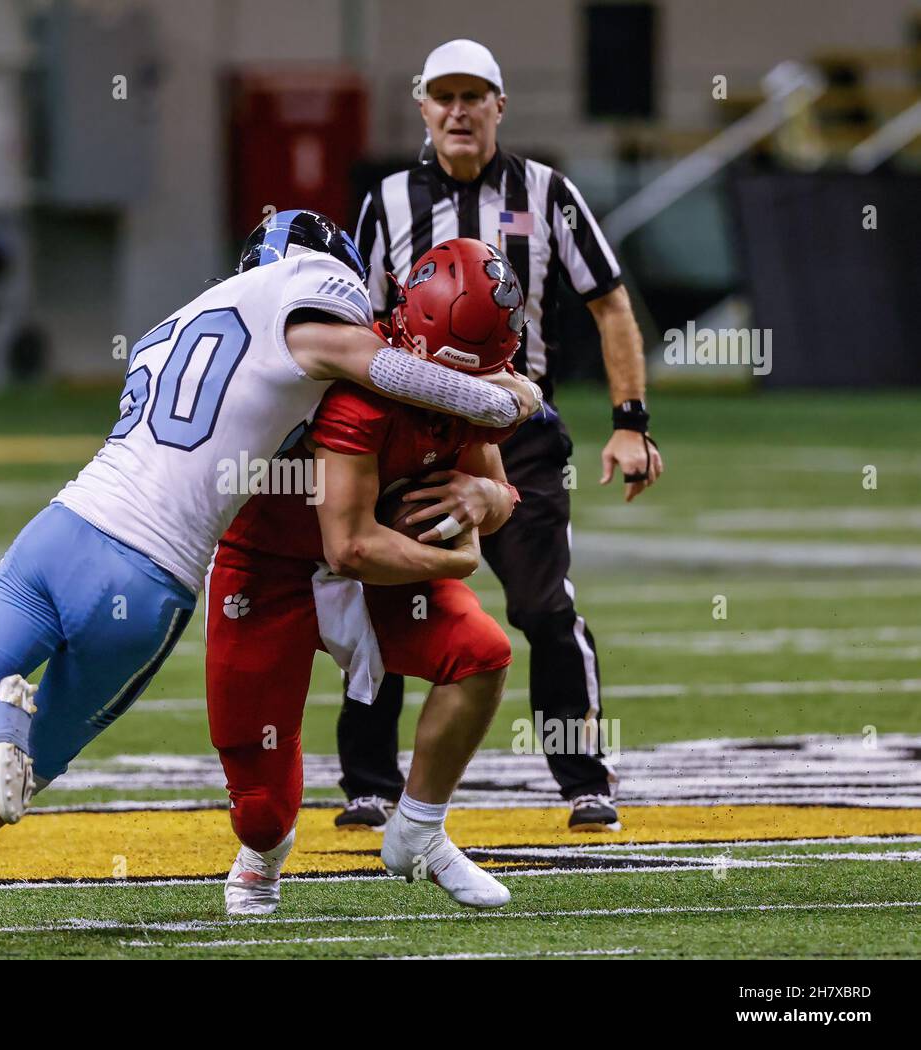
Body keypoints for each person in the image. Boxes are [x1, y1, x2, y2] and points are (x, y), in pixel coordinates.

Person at [0, 209, 543, 923]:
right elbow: (451, 390)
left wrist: (487, 488)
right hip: (153, 575)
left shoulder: (171, 326)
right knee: (39, 768)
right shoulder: (319, 317)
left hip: (63, 529)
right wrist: (524, 395)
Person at [340, 39, 664, 834]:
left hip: (517, 427)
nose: (457, 110)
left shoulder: (548, 191)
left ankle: (584, 777)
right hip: (411, 429)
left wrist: (629, 424)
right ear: (422, 105)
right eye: (443, 96)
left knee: (543, 606)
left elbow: (610, 301)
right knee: (384, 596)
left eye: (473, 96)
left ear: (499, 106)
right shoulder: (384, 202)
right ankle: (369, 784)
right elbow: (353, 317)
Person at [208, 239, 525, 914]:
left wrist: (487, 498)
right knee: (261, 810)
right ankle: (260, 856)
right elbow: (348, 546)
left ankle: (419, 830)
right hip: (271, 570)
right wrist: (456, 559)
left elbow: (498, 486)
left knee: (482, 654)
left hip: (376, 564)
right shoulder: (355, 390)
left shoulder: (447, 375)